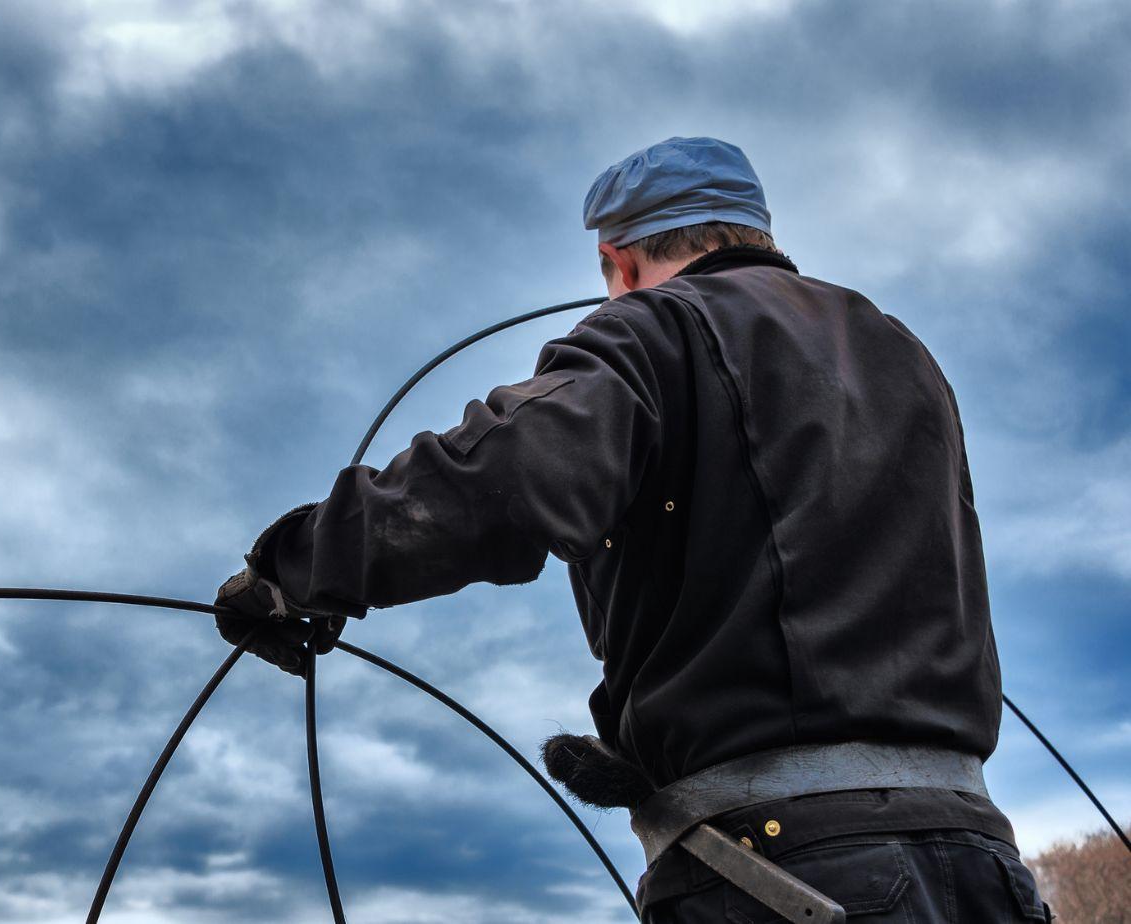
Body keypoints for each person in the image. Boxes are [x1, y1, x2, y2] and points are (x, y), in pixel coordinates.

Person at [213, 136, 1052, 922]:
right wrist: (650, 757)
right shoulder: (903, 355)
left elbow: (500, 479)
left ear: (617, 260)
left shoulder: (652, 328)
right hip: (984, 866)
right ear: (755, 231)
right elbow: (799, 600)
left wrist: (292, 568)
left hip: (786, 875)